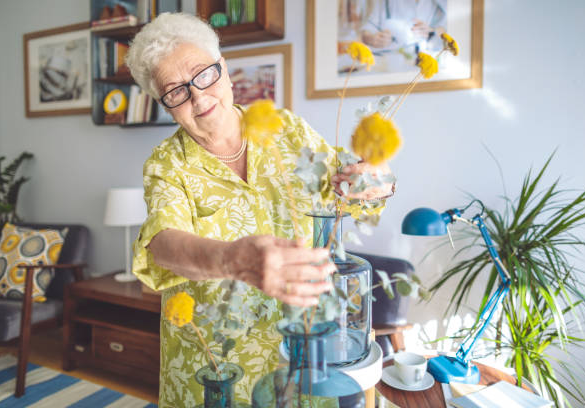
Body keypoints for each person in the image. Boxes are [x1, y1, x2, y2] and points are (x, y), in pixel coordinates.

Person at [126, 13, 394, 407]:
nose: (199, 97)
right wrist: (232, 260)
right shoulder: (166, 165)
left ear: (226, 72)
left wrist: (376, 178)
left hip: (305, 353)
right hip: (217, 365)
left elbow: (349, 184)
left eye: (205, 75)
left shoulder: (285, 129)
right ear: (165, 105)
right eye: (176, 92)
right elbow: (163, 243)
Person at [360, 0, 447, 53]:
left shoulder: (443, 4)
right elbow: (367, 27)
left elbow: (449, 28)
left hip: (428, 60)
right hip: (388, 61)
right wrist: (372, 38)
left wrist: (432, 31)